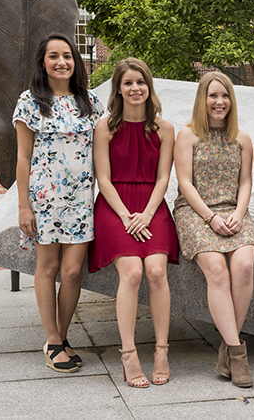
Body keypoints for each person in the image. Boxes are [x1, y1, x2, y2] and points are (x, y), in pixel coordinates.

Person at [14, 33, 105, 373]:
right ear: (43, 62)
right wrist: (24, 206)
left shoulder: (91, 101)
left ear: (75, 61)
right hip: (45, 199)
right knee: (49, 268)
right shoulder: (30, 101)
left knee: (71, 273)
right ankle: (53, 340)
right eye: (54, 56)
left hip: (81, 200)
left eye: (67, 55)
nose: (62, 62)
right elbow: (23, 158)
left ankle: (61, 337)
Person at [90, 58, 179, 388]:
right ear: (119, 88)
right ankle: (128, 353)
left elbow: (164, 177)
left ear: (149, 87)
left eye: (140, 82)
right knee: (132, 272)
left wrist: (145, 213)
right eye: (128, 83)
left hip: (152, 205)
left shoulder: (164, 129)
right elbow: (103, 178)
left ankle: (161, 351)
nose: (135, 88)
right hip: (115, 206)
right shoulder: (105, 128)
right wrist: (127, 216)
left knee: (156, 271)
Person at [173, 72, 254, 388]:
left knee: (245, 266)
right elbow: (184, 182)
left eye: (224, 96)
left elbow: (246, 181)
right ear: (202, 100)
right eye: (213, 96)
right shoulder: (189, 135)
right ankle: (237, 355)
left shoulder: (242, 138)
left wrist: (238, 212)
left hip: (234, 211)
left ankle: (226, 348)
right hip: (196, 212)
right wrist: (210, 218)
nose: (219, 102)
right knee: (218, 272)